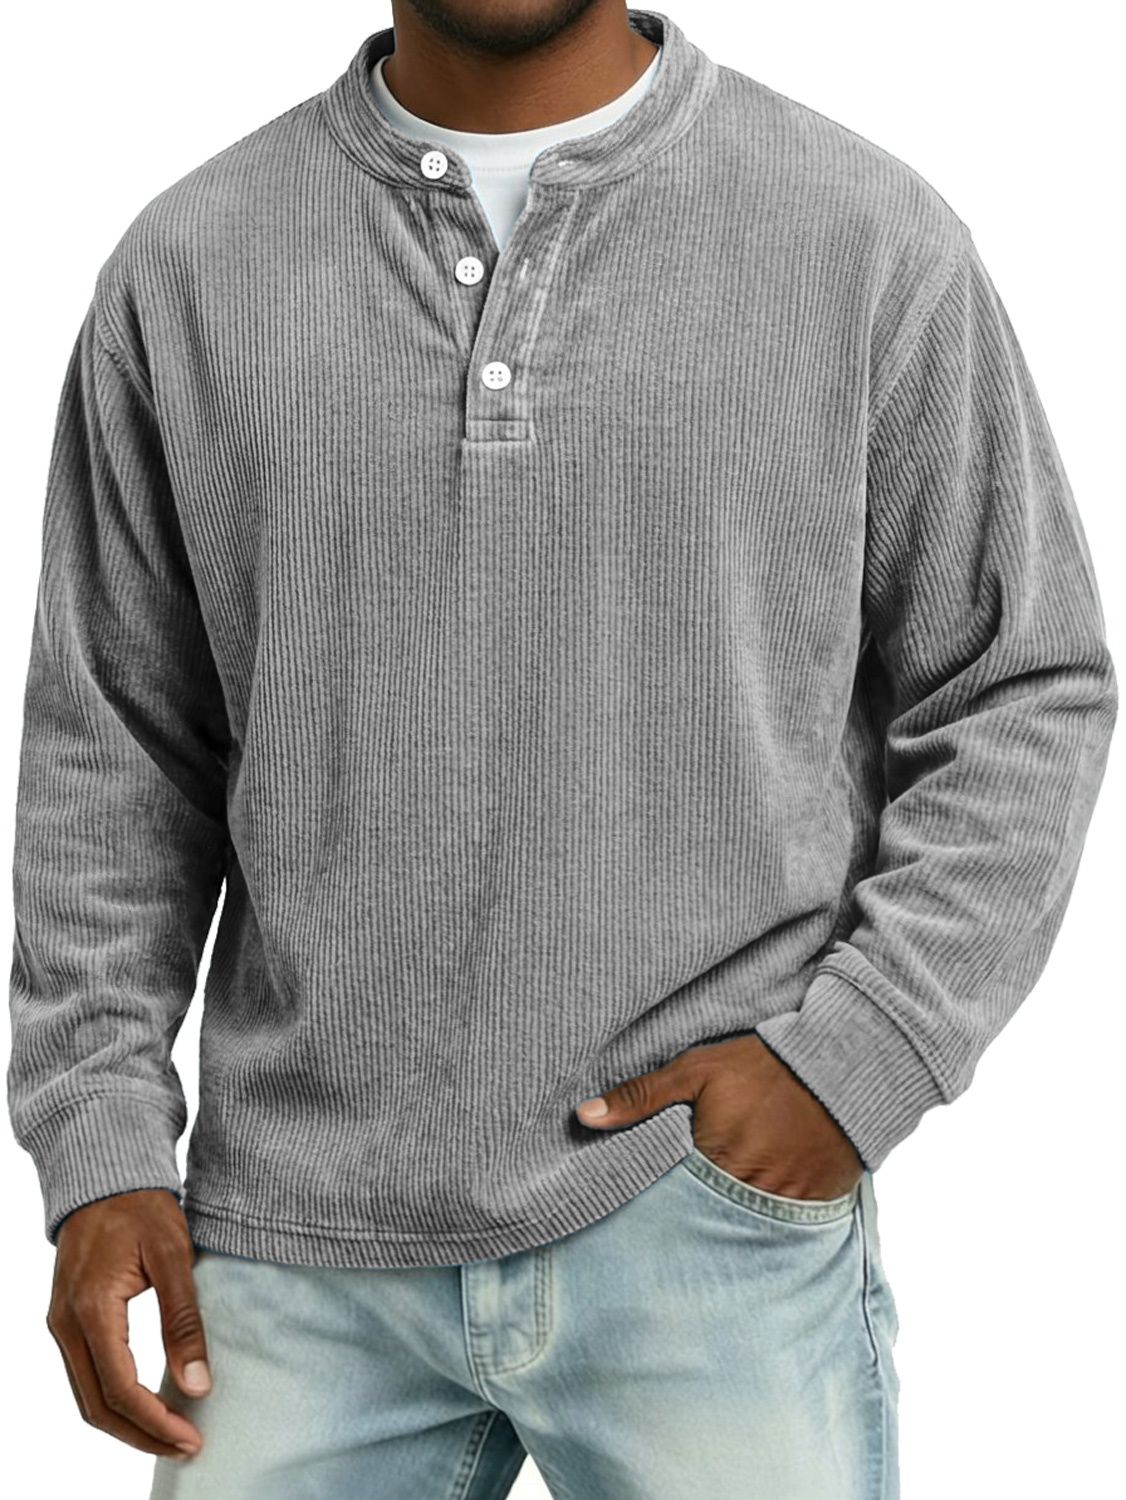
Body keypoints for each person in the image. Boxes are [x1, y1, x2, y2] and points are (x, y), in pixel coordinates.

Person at [7, 2, 1117, 1496]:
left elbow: (1020, 681)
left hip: (703, 1220)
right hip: (293, 1243)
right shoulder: (190, 263)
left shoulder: (862, 236)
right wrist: (100, 1144)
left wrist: (856, 1061)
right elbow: (116, 749)